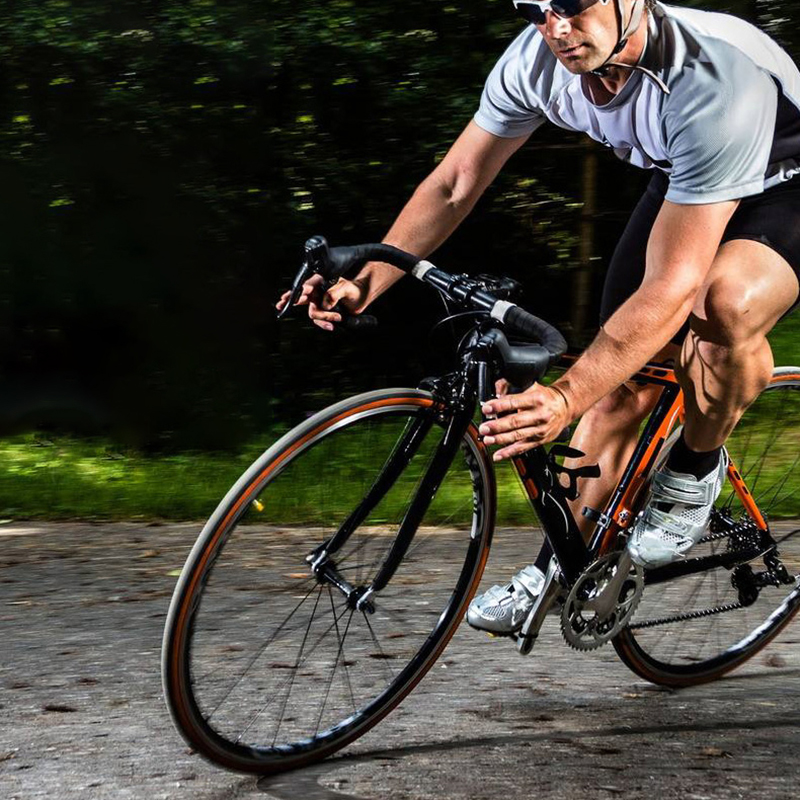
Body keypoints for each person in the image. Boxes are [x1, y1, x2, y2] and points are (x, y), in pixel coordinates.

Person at [277, 0, 800, 636]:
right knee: (620, 382)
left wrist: (565, 398)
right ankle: (558, 570)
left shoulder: (708, 78)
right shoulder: (535, 61)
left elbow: (672, 285)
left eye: (573, 5)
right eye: (535, 10)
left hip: (786, 180)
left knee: (717, 305)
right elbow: (455, 184)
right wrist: (367, 282)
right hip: (688, 171)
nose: (557, 28)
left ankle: (696, 466)